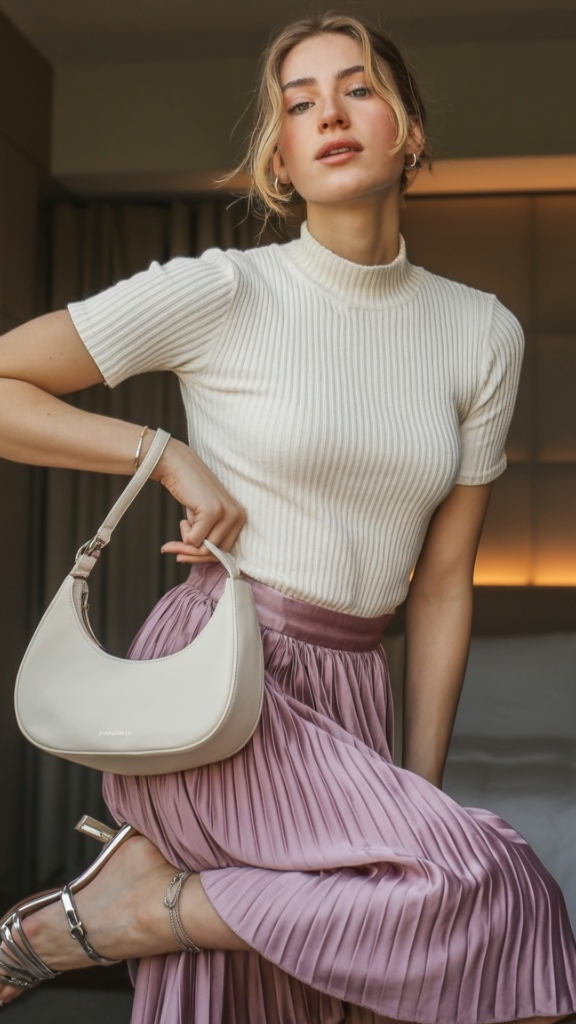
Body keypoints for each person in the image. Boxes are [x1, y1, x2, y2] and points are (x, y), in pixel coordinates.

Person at [0, 12, 575, 1024]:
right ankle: (115, 915)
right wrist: (160, 452)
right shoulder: (223, 290)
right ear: (279, 157)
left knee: (306, 987)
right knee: (501, 889)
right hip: (229, 678)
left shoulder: (482, 330)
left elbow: (441, 585)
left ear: (409, 128)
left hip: (355, 687)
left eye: (357, 88)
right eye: (299, 104)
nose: (330, 114)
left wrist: (419, 790)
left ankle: (148, 906)